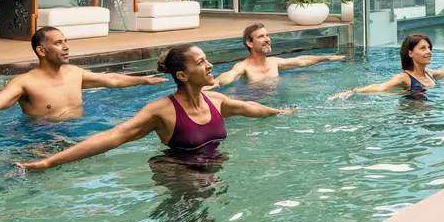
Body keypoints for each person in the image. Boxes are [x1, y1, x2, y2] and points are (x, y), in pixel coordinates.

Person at [15, 44, 297, 171]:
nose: (210, 65)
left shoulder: (217, 101)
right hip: (177, 172)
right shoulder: (161, 111)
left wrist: (281, 113)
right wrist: (49, 162)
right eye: (201, 62)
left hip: (212, 168)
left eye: (206, 59)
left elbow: (249, 108)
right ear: (182, 75)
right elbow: (111, 137)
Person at [0, 26, 165, 141]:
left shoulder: (75, 73)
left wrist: (144, 79)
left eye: (66, 41)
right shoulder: (25, 82)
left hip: (79, 132)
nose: (66, 47)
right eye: (58, 43)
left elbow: (111, 79)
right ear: (41, 51)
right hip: (40, 137)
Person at [328, 33, 444, 100]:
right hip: (410, 119)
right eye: (423, 48)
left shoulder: (429, 73)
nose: (429, 52)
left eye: (429, 48)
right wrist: (353, 91)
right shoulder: (405, 78)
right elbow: (380, 87)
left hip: (426, 115)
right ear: (410, 53)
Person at [211, 23, 344, 86]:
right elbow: (229, 75)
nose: (267, 39)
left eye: (267, 35)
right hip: (254, 101)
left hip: (278, 98)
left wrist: (326, 58)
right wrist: (214, 83)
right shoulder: (243, 67)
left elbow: (300, 61)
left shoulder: (274, 62)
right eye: (261, 37)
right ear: (250, 43)